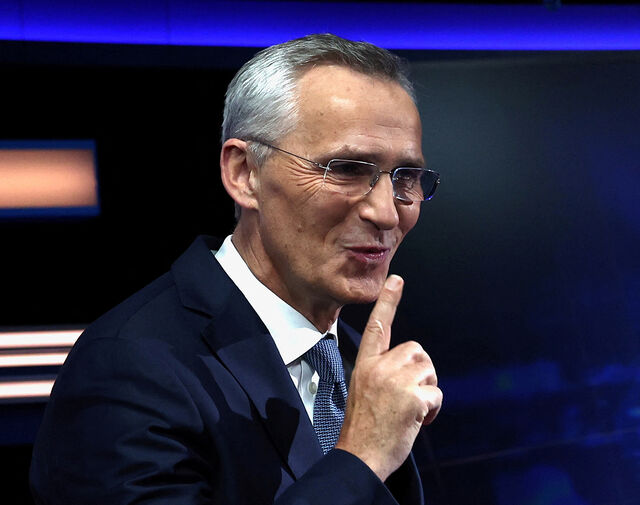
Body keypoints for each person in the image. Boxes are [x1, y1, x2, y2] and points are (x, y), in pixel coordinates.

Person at [30, 34, 442, 505]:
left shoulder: (353, 358)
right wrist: (362, 457)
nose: (387, 212)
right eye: (346, 169)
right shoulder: (127, 365)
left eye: (407, 177)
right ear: (245, 173)